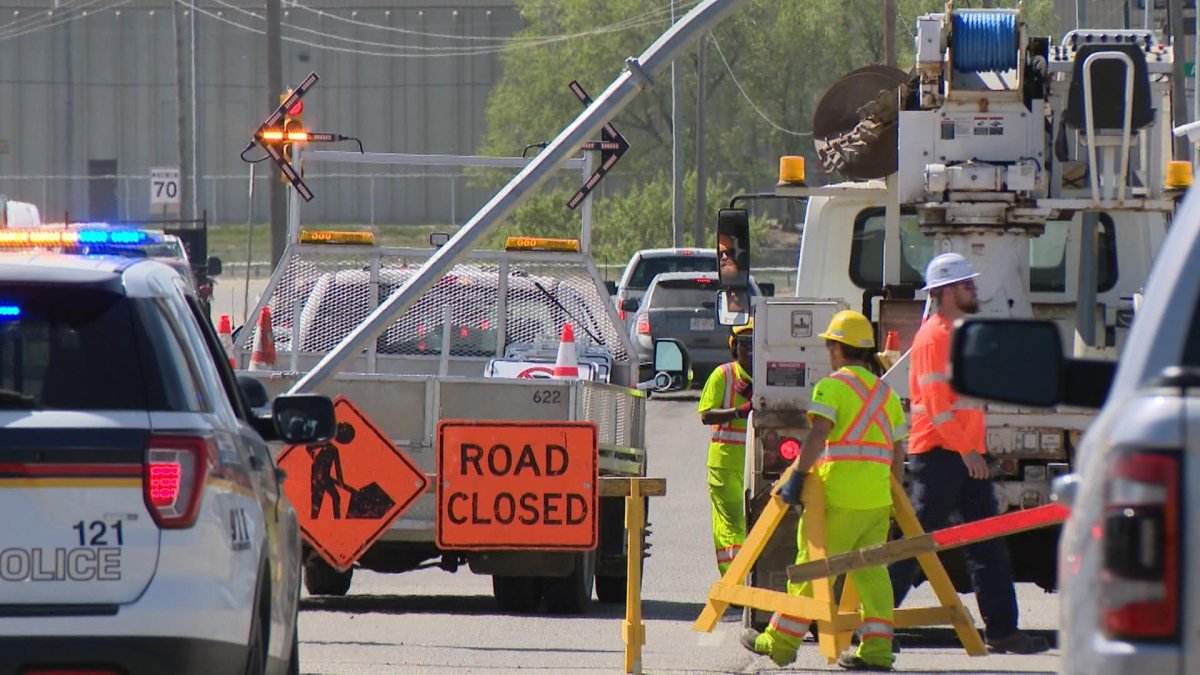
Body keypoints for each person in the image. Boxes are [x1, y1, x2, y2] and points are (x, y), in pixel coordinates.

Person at [886, 252, 1049, 655]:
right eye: (967, 284)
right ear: (945, 292)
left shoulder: (956, 334)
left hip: (962, 455)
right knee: (915, 544)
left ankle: (1003, 630)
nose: (975, 289)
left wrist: (975, 450)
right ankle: (872, 623)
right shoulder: (934, 337)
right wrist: (967, 453)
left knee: (987, 545)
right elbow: (937, 407)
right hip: (941, 456)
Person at [740, 310, 906, 671]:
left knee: (812, 568)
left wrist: (798, 475)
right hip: (877, 502)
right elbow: (897, 453)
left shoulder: (832, 387)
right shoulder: (886, 395)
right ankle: (877, 651)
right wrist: (894, 501)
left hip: (838, 499)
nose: (828, 351)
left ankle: (780, 643)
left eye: (830, 345)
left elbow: (818, 435)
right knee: (873, 574)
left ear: (837, 349)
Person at [698, 320, 754, 575]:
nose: (749, 349)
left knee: (749, 525)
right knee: (734, 525)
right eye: (744, 343)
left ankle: (739, 579)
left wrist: (757, 396)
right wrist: (739, 411)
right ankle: (736, 580)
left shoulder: (768, 378)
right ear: (734, 347)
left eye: (754, 343)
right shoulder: (723, 375)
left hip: (754, 464)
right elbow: (706, 415)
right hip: (725, 464)